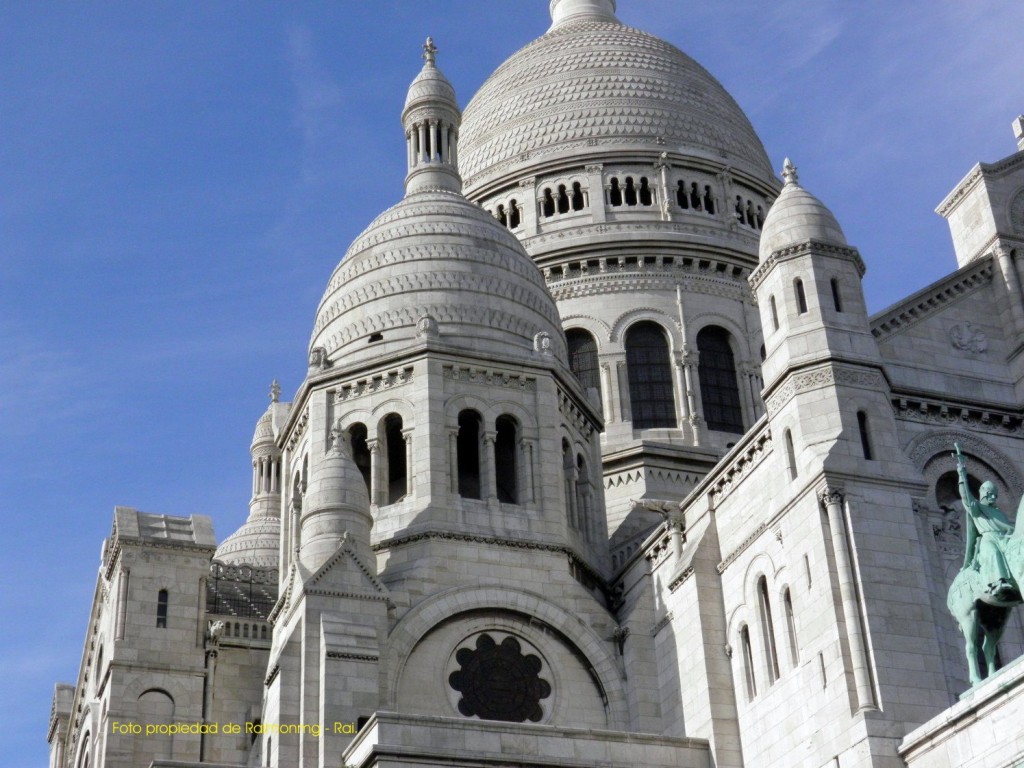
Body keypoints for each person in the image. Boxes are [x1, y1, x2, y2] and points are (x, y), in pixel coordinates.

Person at [955, 443, 1017, 600]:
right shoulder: (977, 508)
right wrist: (961, 473)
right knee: (993, 553)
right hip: (988, 539)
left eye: (995, 495)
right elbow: (965, 496)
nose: (993, 497)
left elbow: (1008, 529)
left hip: (1004, 538)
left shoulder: (999, 513)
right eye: (990, 494)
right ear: (983, 493)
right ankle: (998, 583)